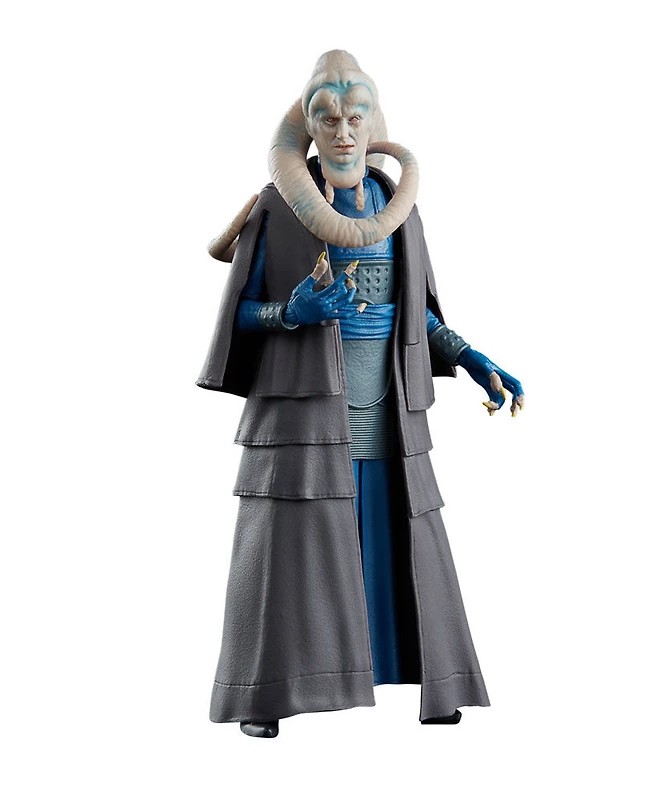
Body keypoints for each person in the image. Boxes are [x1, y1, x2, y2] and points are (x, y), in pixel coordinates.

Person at [197, 51, 524, 738]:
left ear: (374, 124)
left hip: (388, 416)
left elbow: (415, 314)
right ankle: (266, 694)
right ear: (308, 129)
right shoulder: (279, 207)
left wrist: (470, 357)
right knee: (287, 552)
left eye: (356, 117)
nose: (344, 132)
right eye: (328, 119)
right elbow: (239, 314)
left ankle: (427, 677)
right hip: (303, 415)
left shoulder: (398, 208)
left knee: (402, 545)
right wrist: (290, 313)